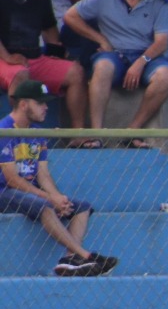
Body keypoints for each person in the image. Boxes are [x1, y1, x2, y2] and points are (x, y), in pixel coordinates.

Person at [0, 80, 117, 276]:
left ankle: (69, 260)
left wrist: (57, 197)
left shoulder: (38, 133)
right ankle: (87, 256)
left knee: (81, 208)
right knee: (44, 206)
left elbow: (43, 174)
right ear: (23, 104)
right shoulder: (4, 130)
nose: (46, 107)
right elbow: (11, 179)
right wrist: (49, 199)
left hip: (32, 192)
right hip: (4, 192)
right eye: (40, 103)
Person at [62, 0, 168, 143]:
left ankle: (133, 131)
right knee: (103, 67)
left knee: (166, 75)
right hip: (115, 54)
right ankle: (96, 134)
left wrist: (141, 62)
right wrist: (100, 39)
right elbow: (70, 16)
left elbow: (161, 42)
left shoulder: (159, 1)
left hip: (146, 56)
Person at [0, 0, 88, 136]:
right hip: (5, 59)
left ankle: (78, 135)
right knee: (20, 74)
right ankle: (18, 135)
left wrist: (59, 53)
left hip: (34, 58)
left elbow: (50, 33)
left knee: (76, 71)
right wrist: (8, 57)